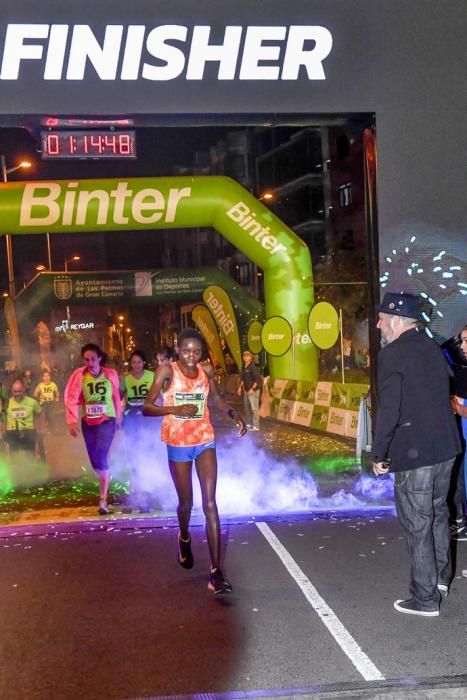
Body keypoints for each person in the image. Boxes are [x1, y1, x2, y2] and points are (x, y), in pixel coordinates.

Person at [372, 292, 461, 617]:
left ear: (395, 320)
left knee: (417, 522)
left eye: (382, 319)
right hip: (445, 447)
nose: (379, 324)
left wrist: (378, 452)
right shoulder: (432, 348)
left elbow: (389, 408)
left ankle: (425, 599)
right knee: (438, 513)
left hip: (417, 452)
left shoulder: (393, 354)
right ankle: (439, 579)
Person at [143, 327, 247, 594]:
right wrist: (174, 409)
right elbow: (146, 406)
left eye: (197, 351)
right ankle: (184, 536)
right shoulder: (167, 371)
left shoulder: (206, 371)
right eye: (187, 350)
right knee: (186, 503)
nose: (191, 355)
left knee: (210, 502)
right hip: (178, 443)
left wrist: (234, 414)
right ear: (178, 349)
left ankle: (215, 573)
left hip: (204, 439)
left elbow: (216, 400)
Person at [64, 343, 122, 515]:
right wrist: (72, 421)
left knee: (102, 456)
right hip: (88, 422)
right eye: (87, 359)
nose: (90, 362)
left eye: (93, 359)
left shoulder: (110, 374)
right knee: (95, 461)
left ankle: (103, 500)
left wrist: (118, 416)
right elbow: (71, 398)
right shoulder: (79, 376)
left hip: (107, 420)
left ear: (100, 358)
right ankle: (106, 476)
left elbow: (116, 396)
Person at [120, 350, 155, 509]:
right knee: (133, 454)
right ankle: (138, 490)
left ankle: (150, 491)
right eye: (133, 362)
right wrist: (119, 416)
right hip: (132, 420)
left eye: (139, 362)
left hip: (148, 419)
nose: (136, 365)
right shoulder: (126, 380)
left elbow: (159, 396)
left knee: (148, 453)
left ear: (144, 363)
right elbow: (119, 398)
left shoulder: (152, 376)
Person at [5, 379, 41, 459]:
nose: (17, 394)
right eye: (15, 391)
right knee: (13, 456)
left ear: (23, 390)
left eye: (19, 391)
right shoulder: (7, 403)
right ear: (11, 391)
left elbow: (39, 414)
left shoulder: (32, 402)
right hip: (12, 432)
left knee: (31, 455)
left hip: (28, 431)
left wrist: (39, 427)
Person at [237, 350, 261, 431]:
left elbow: (257, 380)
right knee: (247, 408)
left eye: (247, 355)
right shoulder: (243, 367)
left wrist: (252, 389)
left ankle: (256, 426)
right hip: (246, 391)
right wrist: (240, 388)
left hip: (253, 391)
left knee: (254, 409)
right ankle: (250, 424)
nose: (245, 357)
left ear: (251, 357)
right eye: (244, 355)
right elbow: (243, 379)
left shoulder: (253, 367)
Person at [33, 370, 60, 434]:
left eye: (48, 376)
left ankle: (52, 429)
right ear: (42, 377)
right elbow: (35, 393)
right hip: (43, 403)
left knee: (51, 416)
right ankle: (44, 430)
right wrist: (36, 395)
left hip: (51, 403)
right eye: (45, 376)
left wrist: (57, 397)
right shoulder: (40, 385)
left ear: (50, 377)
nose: (46, 377)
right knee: (43, 416)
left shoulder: (53, 384)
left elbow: (57, 392)